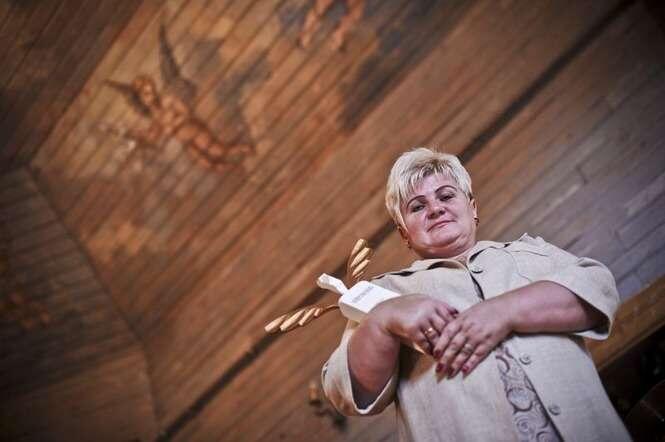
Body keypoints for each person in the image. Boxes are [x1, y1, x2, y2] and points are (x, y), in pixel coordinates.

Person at [322, 148, 631, 441]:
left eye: (446, 196)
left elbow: (597, 287)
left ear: (473, 207)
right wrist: (383, 319)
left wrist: (504, 312)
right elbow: (345, 391)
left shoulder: (531, 251)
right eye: (417, 207)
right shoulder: (385, 294)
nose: (435, 209)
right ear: (404, 234)